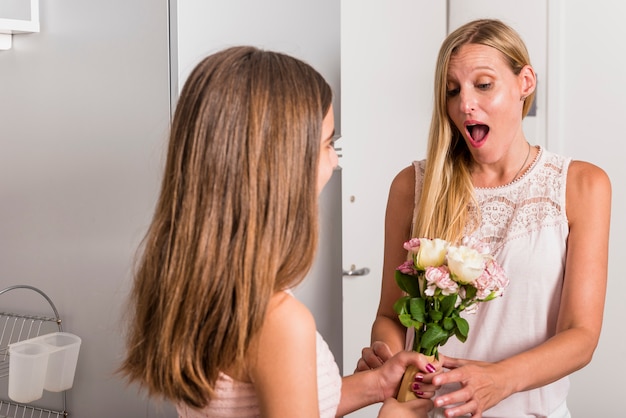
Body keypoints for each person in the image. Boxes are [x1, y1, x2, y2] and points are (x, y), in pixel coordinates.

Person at [118, 46, 436, 418]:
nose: (334, 162)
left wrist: (376, 385)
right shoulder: (278, 322)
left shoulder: (199, 287)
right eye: (328, 144)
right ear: (283, 166)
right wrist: (396, 416)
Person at [356, 18, 611, 418]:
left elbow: (581, 335)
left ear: (525, 82)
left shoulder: (581, 185)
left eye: (484, 84)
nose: (464, 104)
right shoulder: (413, 186)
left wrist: (502, 379)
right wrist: (395, 365)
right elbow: (389, 315)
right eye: (452, 90)